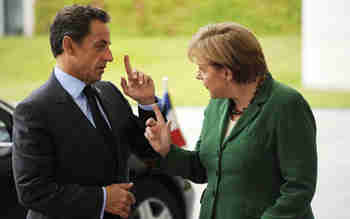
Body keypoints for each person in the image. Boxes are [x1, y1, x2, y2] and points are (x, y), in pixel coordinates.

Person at [144, 22, 317, 219]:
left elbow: (299, 188)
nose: (198, 76)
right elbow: (203, 168)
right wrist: (167, 150)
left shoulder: (286, 105)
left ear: (227, 73)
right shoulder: (217, 106)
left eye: (202, 69)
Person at [12, 5, 159, 219]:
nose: (109, 56)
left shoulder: (109, 93)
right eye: (100, 47)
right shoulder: (33, 110)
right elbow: (32, 191)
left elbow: (148, 150)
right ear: (69, 45)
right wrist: (102, 199)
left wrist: (146, 103)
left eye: (108, 46)